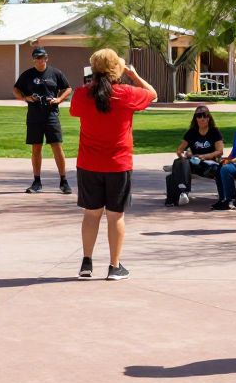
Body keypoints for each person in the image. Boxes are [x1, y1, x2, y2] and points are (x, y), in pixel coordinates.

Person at [70, 49, 157, 281]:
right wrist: (133, 75)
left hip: (88, 163)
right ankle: (114, 266)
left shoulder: (81, 94)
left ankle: (86, 262)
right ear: (117, 69)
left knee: (91, 214)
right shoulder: (127, 93)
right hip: (118, 164)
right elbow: (152, 94)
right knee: (115, 216)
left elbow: (75, 110)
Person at [14, 47, 73, 194]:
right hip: (34, 115)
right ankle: (37, 181)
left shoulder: (55, 73)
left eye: (43, 57)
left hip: (51, 114)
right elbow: (16, 89)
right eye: (37, 58)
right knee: (36, 148)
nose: (41, 60)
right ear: (34, 59)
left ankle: (64, 181)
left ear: (47, 58)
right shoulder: (27, 75)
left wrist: (59, 99)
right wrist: (26, 98)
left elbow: (68, 88)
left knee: (57, 147)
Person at [165, 105, 223, 206]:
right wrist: (185, 155)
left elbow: (219, 151)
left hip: (208, 163)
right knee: (179, 162)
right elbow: (179, 150)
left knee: (176, 171)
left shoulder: (214, 132)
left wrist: (205, 156)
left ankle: (174, 198)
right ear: (195, 119)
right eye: (199, 116)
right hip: (193, 162)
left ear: (209, 118)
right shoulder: (191, 132)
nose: (202, 119)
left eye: (205, 116)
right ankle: (183, 193)